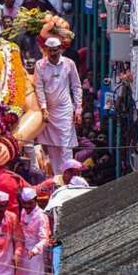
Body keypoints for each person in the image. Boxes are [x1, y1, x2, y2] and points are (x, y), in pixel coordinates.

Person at [34, 37, 82, 175]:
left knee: (66, 146)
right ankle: (58, 179)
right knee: (53, 149)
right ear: (46, 51)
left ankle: (70, 177)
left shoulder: (69, 64)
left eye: (56, 50)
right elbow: (39, 87)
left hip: (65, 109)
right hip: (49, 111)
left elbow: (76, 86)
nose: (53, 54)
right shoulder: (40, 65)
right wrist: (43, 108)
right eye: (50, 51)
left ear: (61, 49)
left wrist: (78, 109)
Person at [16, 188, 50, 275]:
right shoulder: (23, 212)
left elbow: (45, 239)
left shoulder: (42, 216)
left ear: (35, 201)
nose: (27, 206)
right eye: (24, 203)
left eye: (30, 203)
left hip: (36, 257)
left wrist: (35, 250)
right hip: (23, 254)